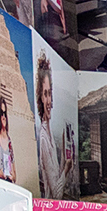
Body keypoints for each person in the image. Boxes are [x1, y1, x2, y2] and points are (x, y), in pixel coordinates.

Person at [33, 60, 68, 198]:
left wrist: (64, 155)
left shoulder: (50, 131)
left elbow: (56, 177)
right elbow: (56, 194)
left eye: (50, 93)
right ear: (40, 97)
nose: (49, 100)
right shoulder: (43, 138)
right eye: (45, 94)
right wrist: (67, 168)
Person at [0, 95, 16, 184]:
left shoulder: (9, 141)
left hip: (9, 184)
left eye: (5, 114)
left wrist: (12, 176)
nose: (3, 117)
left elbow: (14, 173)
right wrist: (0, 173)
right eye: (1, 114)